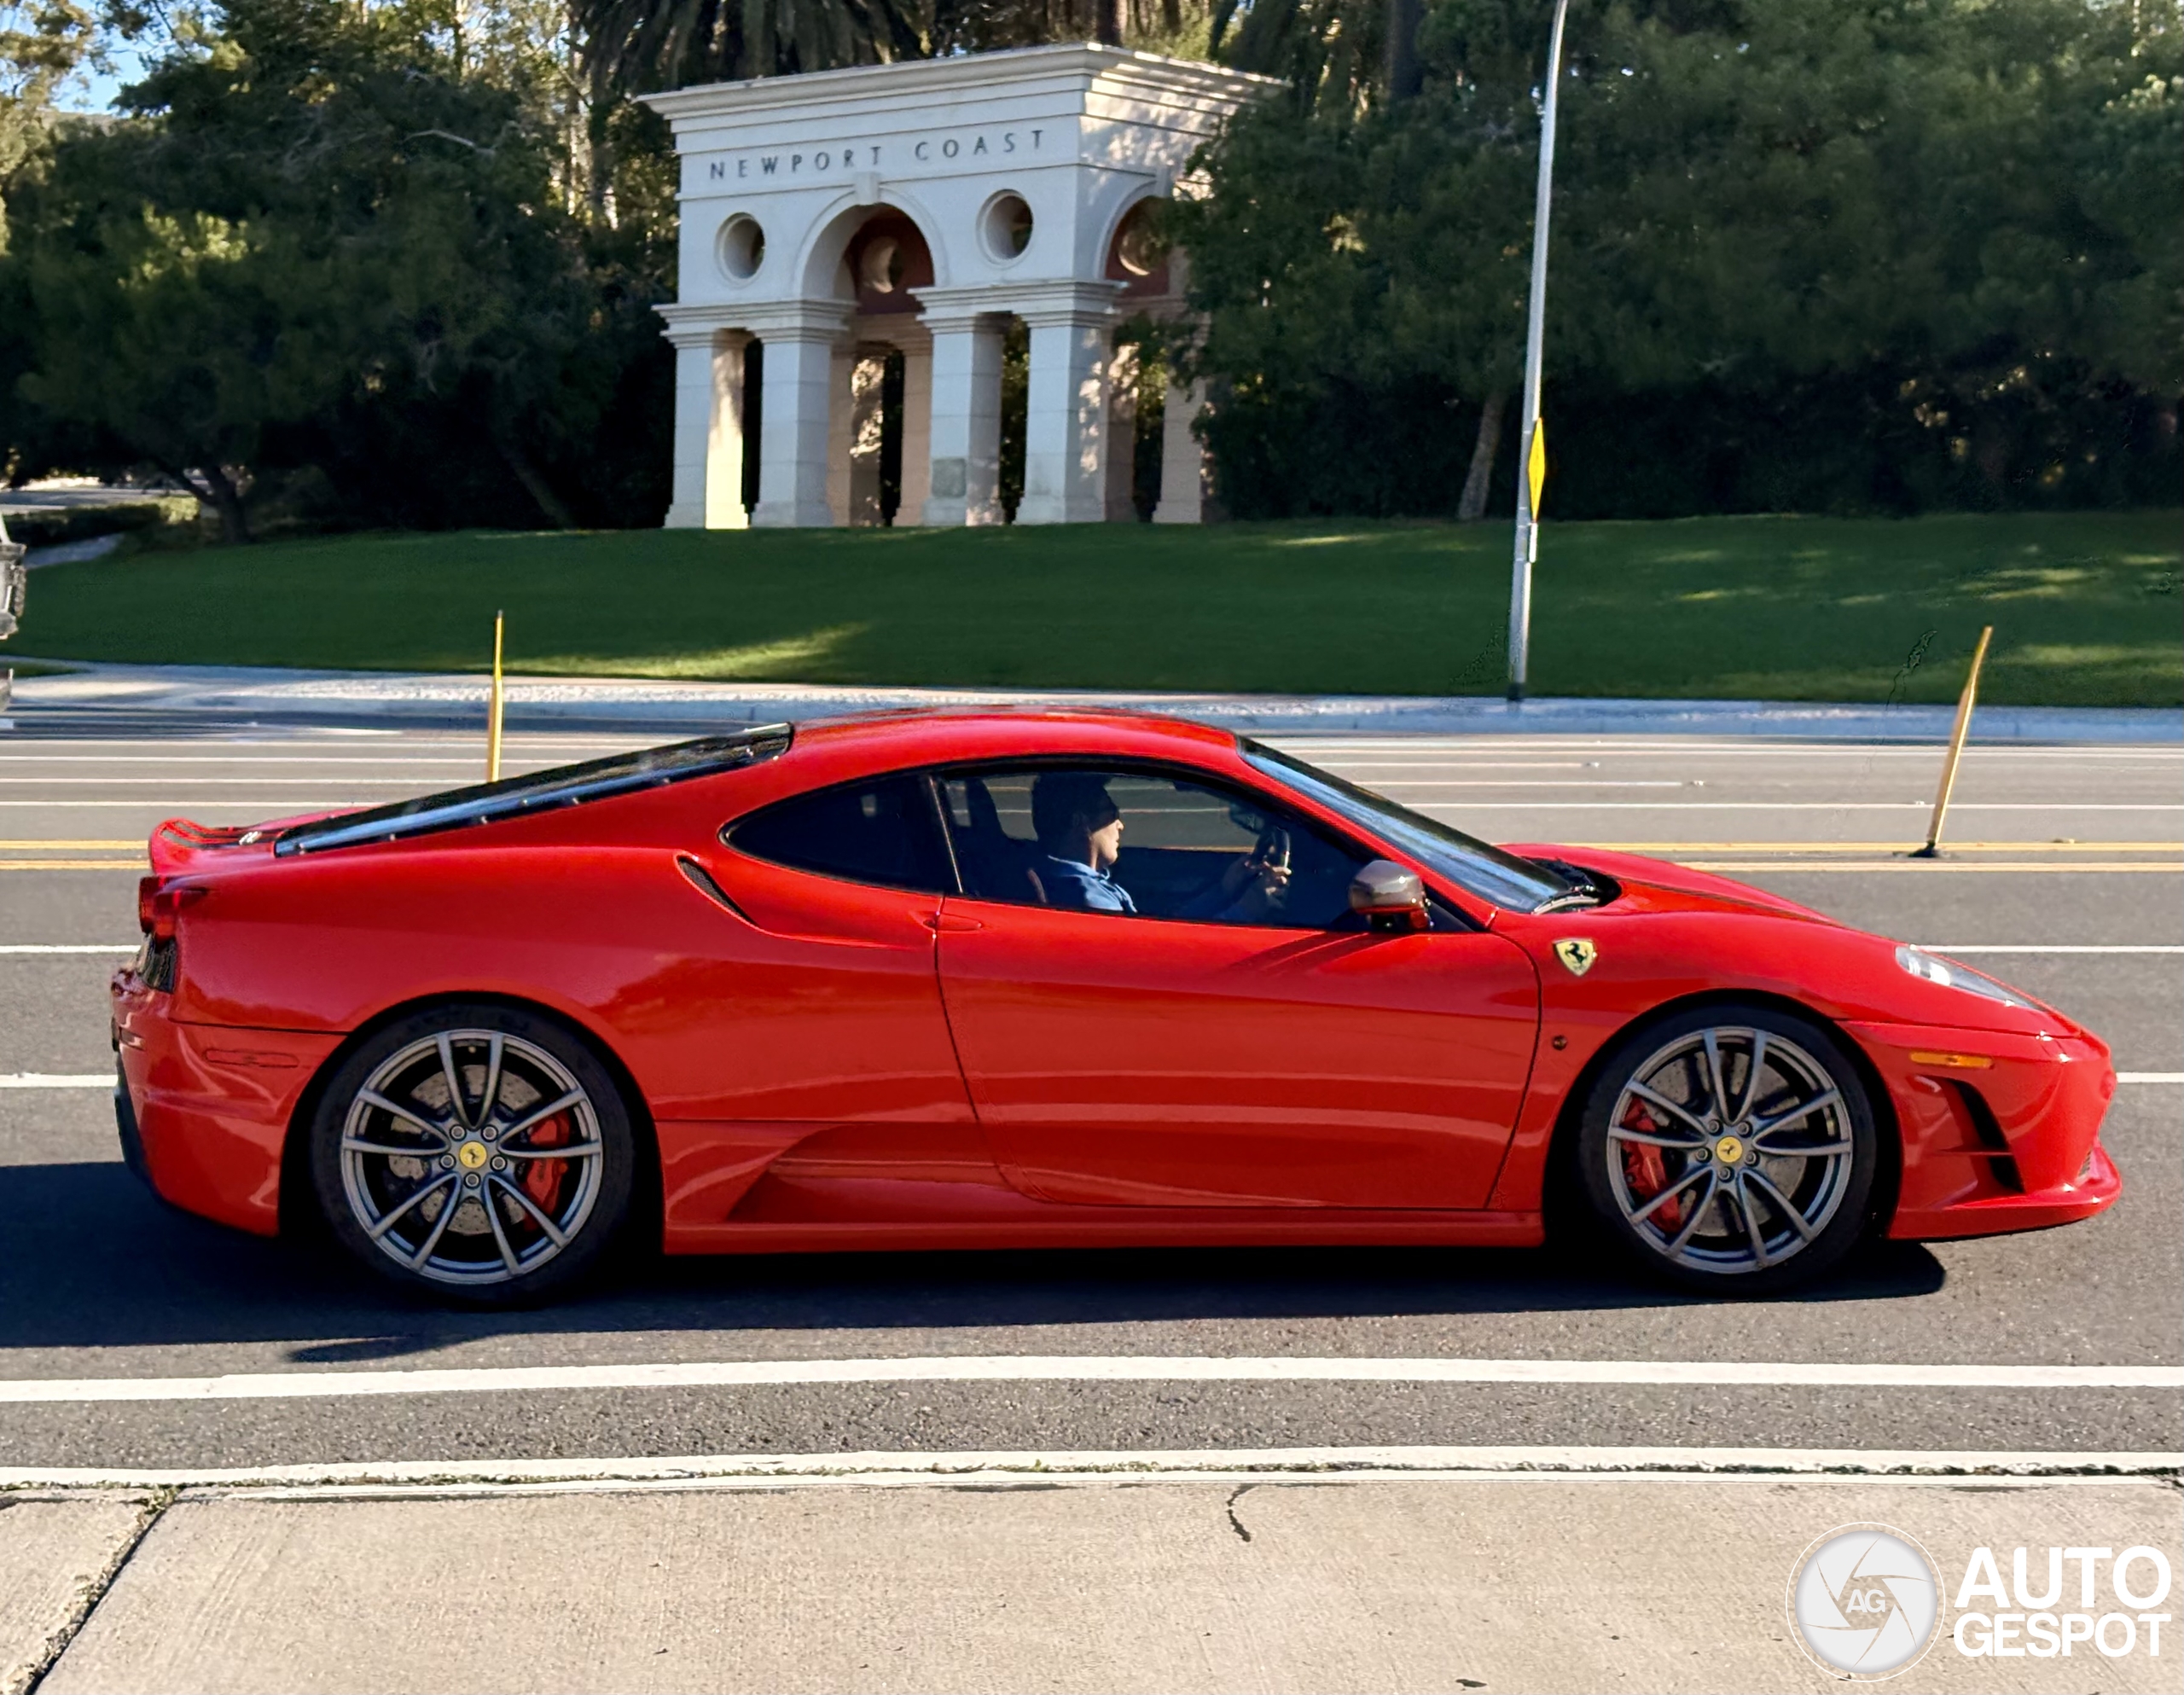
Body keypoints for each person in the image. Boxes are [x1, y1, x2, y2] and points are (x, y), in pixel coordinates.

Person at [1030, 771, 1290, 920]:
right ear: (1081, 823)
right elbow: (1161, 958)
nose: (1120, 825)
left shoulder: (1077, 882)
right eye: (1112, 814)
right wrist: (1247, 909)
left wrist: (1223, 891)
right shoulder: (1088, 901)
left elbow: (1163, 927)